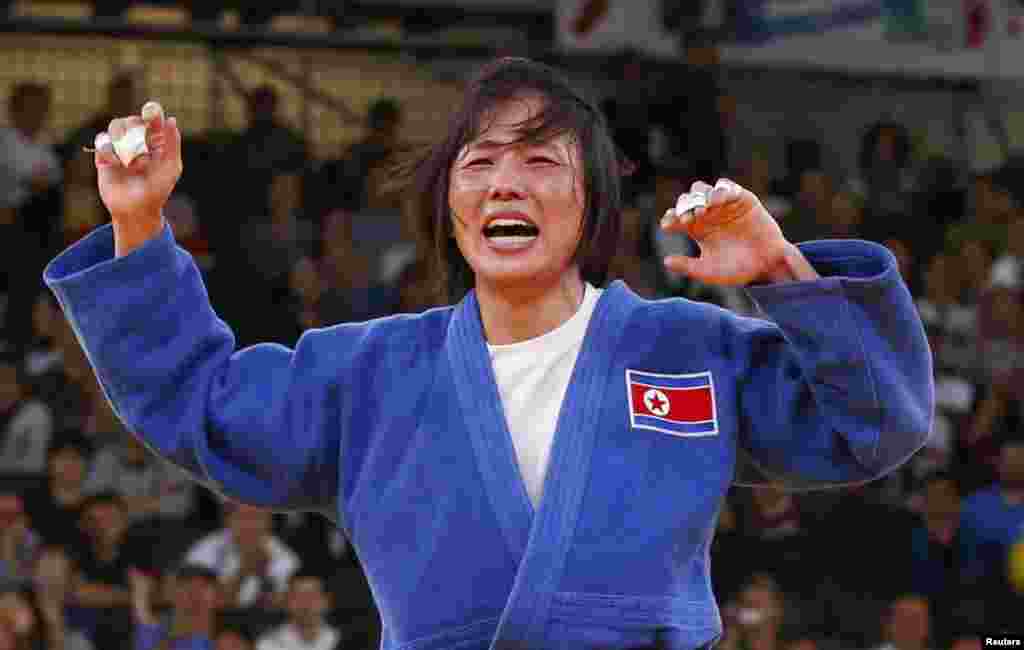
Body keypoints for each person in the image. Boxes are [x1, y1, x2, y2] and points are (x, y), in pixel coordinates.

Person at [43, 58, 933, 649]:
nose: (506, 180)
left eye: (542, 160)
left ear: (591, 205)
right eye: (479, 162)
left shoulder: (689, 349)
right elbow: (199, 404)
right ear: (451, 208)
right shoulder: (368, 374)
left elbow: (875, 424)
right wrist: (139, 221)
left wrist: (782, 271)